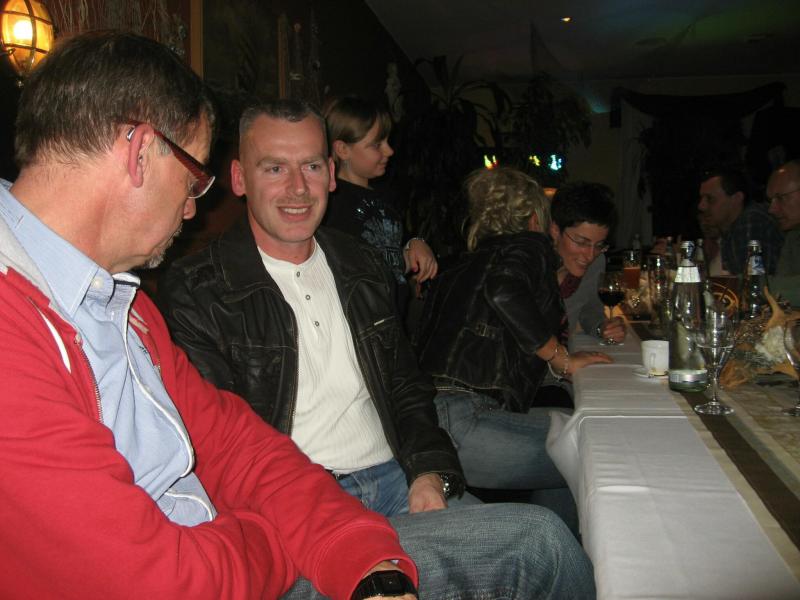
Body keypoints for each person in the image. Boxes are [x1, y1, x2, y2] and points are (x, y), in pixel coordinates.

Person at [0, 32, 595, 600]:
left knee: (543, 531)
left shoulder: (123, 308)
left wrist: (357, 534)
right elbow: (162, 580)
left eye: (311, 166)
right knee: (537, 544)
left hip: (297, 520)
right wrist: (300, 536)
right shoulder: (24, 326)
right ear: (139, 154)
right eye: (196, 176)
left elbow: (238, 445)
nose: (192, 207)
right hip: (237, 560)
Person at [159, 99, 596, 597]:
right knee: (541, 544)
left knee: (551, 542)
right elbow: (220, 447)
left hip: (396, 481)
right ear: (240, 178)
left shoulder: (360, 263)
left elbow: (406, 385)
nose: (297, 188)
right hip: (300, 513)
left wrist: (428, 472)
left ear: (331, 174)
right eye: (274, 168)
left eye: (311, 166)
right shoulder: (199, 288)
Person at [415, 167, 612, 527]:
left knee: (573, 432)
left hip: (428, 424)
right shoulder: (529, 245)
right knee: (598, 449)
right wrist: (563, 359)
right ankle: (568, 554)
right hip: (465, 422)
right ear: (538, 219)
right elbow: (504, 291)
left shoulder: (461, 265)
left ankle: (553, 541)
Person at [323, 96, 436, 313]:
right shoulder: (331, 202)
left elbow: (390, 254)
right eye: (377, 145)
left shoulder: (385, 196)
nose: (389, 151)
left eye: (387, 141)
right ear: (343, 149)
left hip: (393, 316)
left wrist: (415, 243)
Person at [549, 182, 626, 344]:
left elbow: (589, 308)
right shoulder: (529, 266)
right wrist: (560, 357)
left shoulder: (597, 262)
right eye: (581, 242)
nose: (590, 256)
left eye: (599, 245)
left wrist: (602, 327)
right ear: (555, 230)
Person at [697, 167, 783, 275]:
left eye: (710, 199)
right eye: (701, 198)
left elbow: (751, 281)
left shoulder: (751, 221)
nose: (701, 206)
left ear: (737, 198)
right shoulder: (730, 229)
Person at [767, 159, 800, 307]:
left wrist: (742, 283)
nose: (771, 209)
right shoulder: (793, 237)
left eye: (780, 198)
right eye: (771, 200)